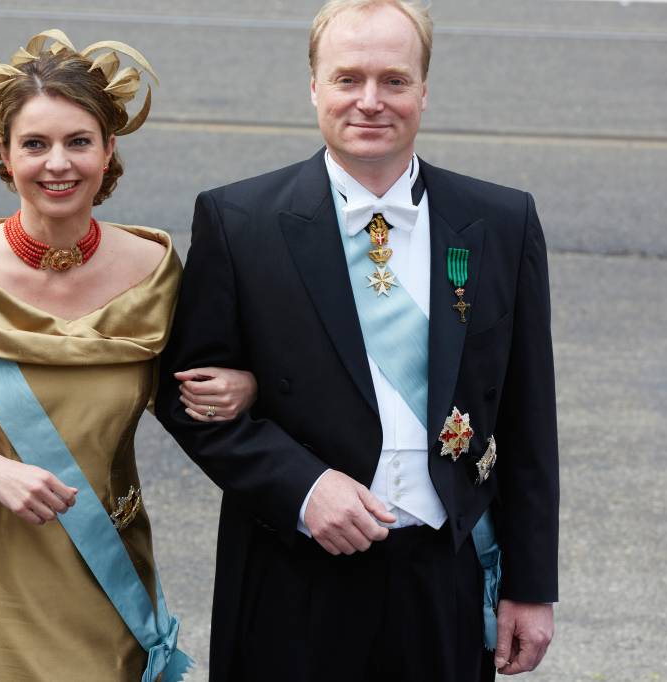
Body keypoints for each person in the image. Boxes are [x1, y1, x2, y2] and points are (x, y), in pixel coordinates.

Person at [156, 1, 559, 680]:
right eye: (348, 79)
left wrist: (531, 584)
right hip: (291, 577)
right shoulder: (239, 220)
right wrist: (304, 488)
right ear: (314, 87)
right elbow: (186, 401)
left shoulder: (501, 220)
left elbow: (528, 416)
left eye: (394, 80)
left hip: (444, 575)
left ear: (424, 91)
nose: (370, 101)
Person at [0, 30, 255, 681]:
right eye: (35, 144)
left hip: (107, 579)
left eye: (78, 141)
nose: (58, 164)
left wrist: (244, 386)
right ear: (4, 153)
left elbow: (185, 390)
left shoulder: (156, 271)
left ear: (108, 150)